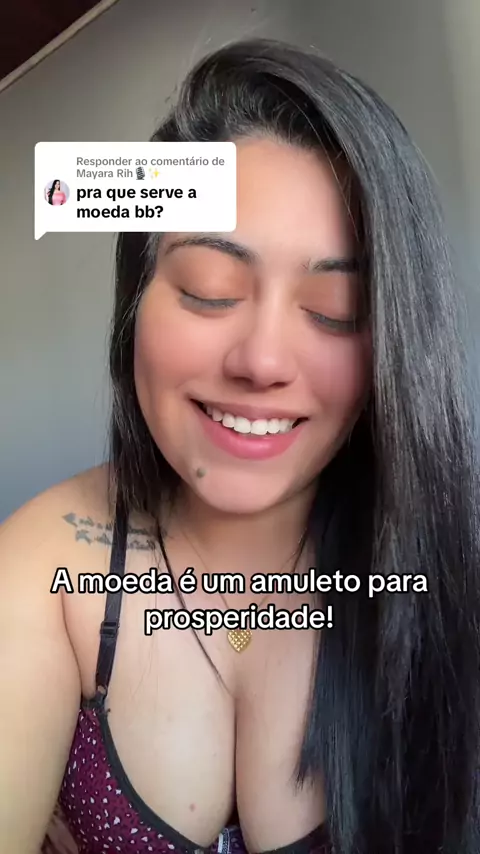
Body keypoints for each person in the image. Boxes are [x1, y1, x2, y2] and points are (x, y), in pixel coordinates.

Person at [1, 37, 480, 854]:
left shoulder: (441, 574)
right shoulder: (43, 565)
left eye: (333, 310)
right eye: (209, 290)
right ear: (135, 303)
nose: (261, 361)